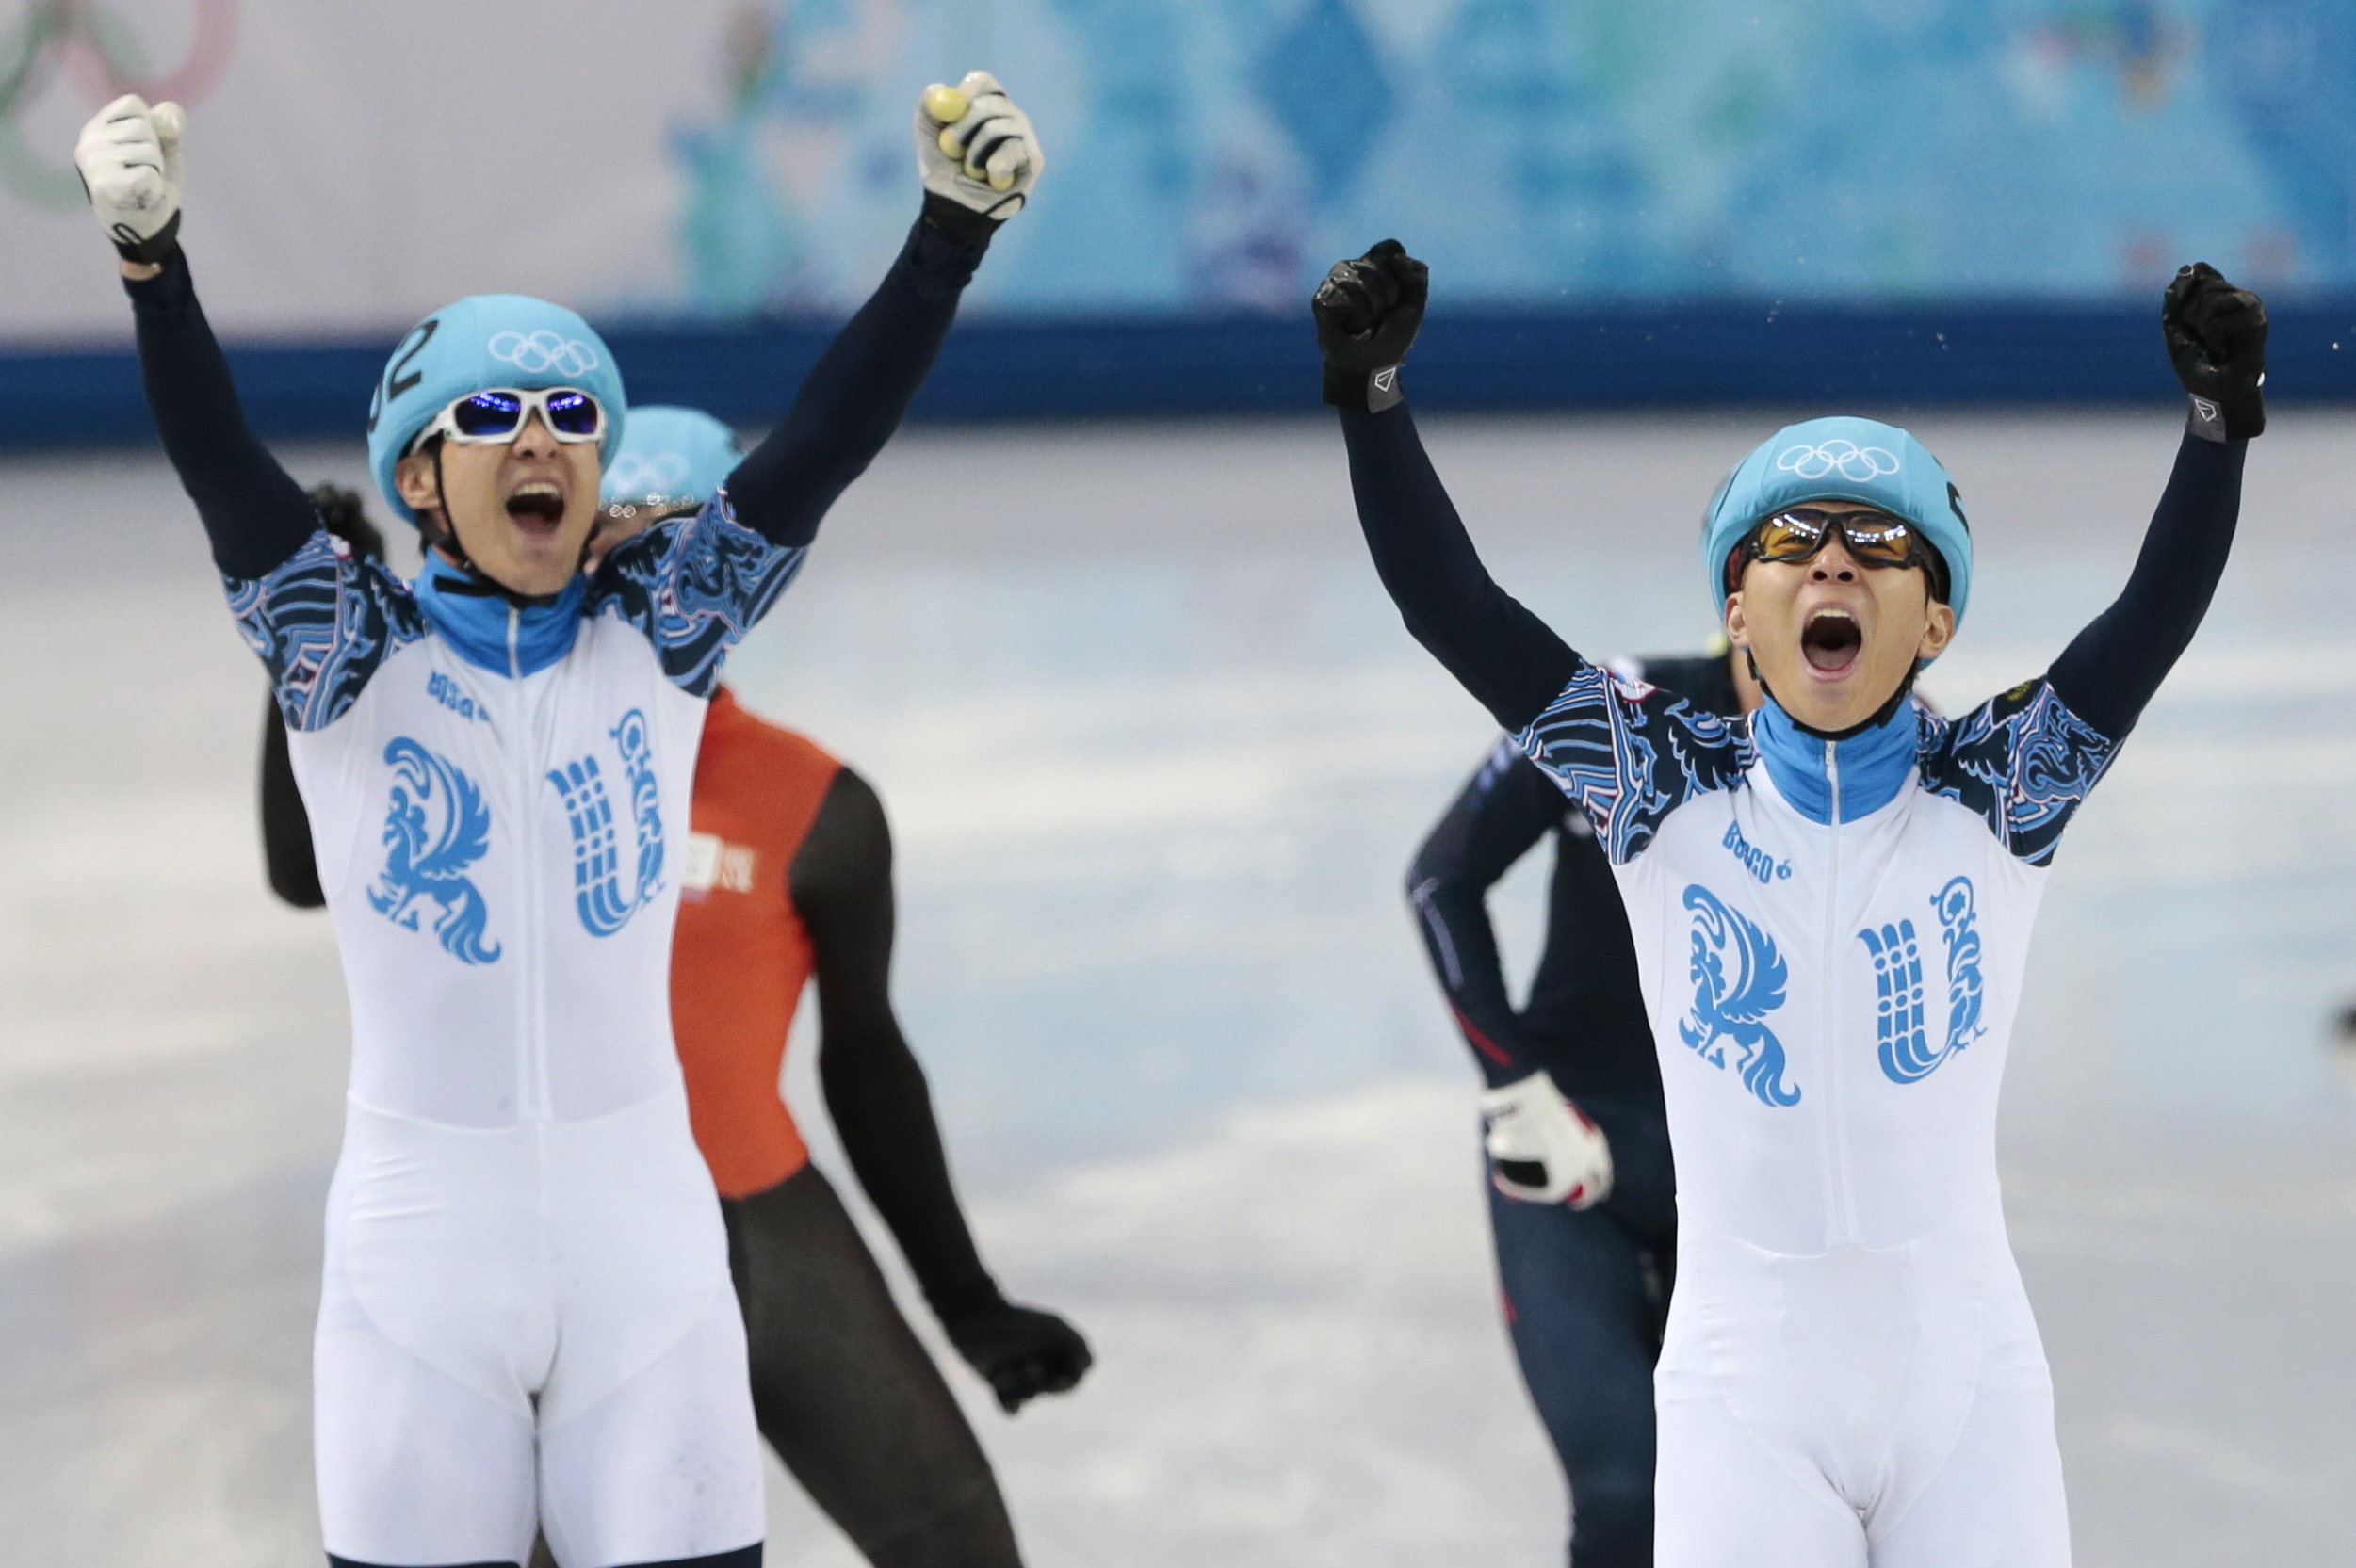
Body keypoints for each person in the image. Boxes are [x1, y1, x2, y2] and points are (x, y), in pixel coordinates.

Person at [75, 70, 1043, 1568]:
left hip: (646, 1269)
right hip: (418, 1283)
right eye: (495, 415)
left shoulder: (660, 640)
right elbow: (222, 468)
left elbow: (821, 449)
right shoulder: (346, 650)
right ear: (420, 476)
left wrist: (946, 238)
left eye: (572, 414)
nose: (542, 439)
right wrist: (156, 271)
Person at [1318, 237, 2264, 1565]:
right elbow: (1454, 609)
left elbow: (2149, 619)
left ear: (1933, 623)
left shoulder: (1998, 791)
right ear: (1737, 610)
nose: (1830, 564)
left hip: (1969, 1397)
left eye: (1877, 543)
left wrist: (2217, 433)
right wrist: (1374, 408)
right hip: (1744, 1402)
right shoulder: (1655, 786)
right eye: (1787, 542)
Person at [257, 410, 1093, 1568]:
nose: (624, 572)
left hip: (761, 1222)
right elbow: (306, 872)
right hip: (536, 1246)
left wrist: (966, 1301)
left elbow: (866, 1063)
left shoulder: (819, 807)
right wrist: (303, 653)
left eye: (663, 544)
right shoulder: (462, 730)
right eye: (609, 537)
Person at [1408, 642, 1755, 1566]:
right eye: (1789, 560)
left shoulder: (1893, 757)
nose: (1829, 583)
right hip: (1571, 1145)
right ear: (1735, 601)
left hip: (1748, 1178)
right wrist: (1514, 1087)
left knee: (1753, 1507)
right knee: (1625, 1497)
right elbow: (1441, 879)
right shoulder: (1614, 712)